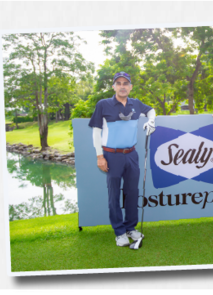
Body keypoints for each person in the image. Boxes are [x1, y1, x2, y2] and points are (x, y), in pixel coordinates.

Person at [89, 72, 156, 247]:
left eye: (125, 83)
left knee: (132, 192)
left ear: (130, 86)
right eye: (118, 83)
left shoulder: (136, 103)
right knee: (114, 195)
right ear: (114, 87)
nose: (122, 86)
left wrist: (151, 121)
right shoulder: (103, 104)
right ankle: (119, 232)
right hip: (111, 155)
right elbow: (96, 131)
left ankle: (130, 228)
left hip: (132, 154)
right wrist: (99, 156)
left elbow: (151, 110)